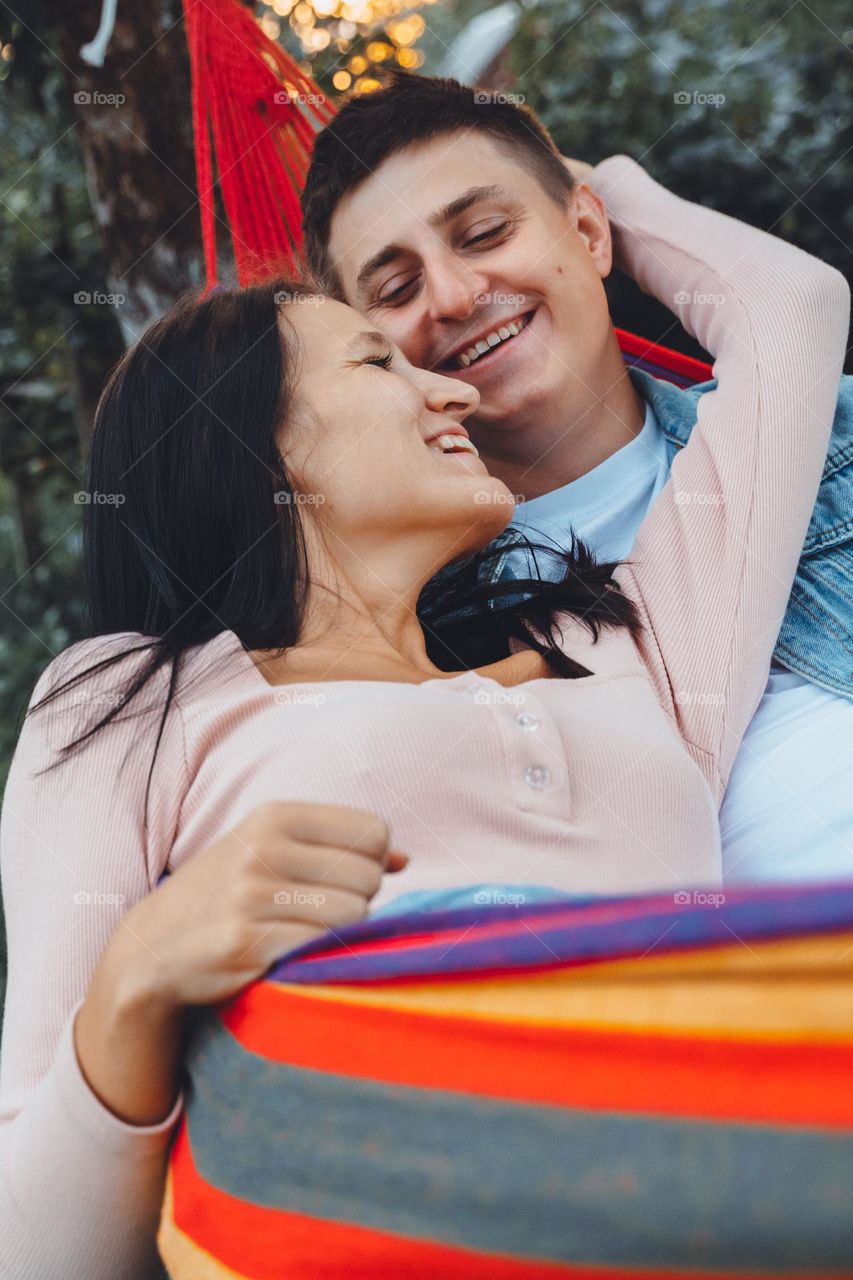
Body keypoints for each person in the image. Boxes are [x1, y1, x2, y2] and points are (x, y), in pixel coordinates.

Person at [0, 154, 848, 1279]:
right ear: (250, 440)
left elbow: (796, 310)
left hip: (699, 1173)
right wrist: (135, 982)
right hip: (378, 1196)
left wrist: (581, 193)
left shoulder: (619, 639)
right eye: (376, 360)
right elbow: (36, 1253)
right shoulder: (129, 698)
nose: (454, 394)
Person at [300, 70, 853, 885]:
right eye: (396, 289)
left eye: (485, 232)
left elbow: (800, 302)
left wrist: (611, 189)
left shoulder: (833, 440)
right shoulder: (406, 641)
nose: (453, 296)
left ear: (591, 232)